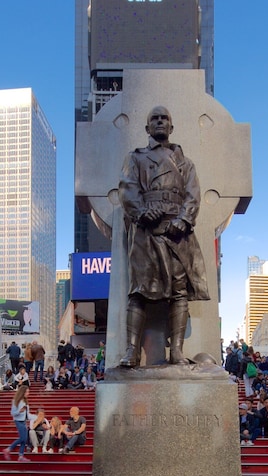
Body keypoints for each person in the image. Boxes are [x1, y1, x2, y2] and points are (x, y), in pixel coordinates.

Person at [118, 106, 210, 367]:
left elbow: (193, 195)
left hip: (176, 233)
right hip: (146, 231)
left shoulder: (185, 163)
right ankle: (132, 351)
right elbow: (127, 189)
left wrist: (183, 220)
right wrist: (142, 212)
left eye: (164, 118)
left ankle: (177, 351)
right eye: (154, 119)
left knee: (179, 292)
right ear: (147, 128)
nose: (160, 122)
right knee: (139, 291)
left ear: (171, 126)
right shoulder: (135, 158)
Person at [3, 385, 32, 462]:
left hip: (24, 421)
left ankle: (21, 456)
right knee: (22, 438)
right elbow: (12, 413)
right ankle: (8, 449)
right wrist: (19, 411)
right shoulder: (16, 401)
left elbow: (27, 413)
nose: (28, 393)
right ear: (23, 392)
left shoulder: (25, 401)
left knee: (24, 439)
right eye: (27, 392)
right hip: (18, 421)